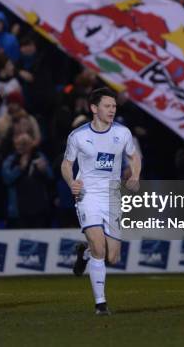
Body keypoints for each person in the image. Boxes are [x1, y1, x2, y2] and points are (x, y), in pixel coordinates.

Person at [61, 87, 141, 315]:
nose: (112, 110)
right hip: (87, 195)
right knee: (99, 245)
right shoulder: (78, 136)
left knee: (112, 257)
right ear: (94, 108)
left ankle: (84, 253)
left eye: (114, 106)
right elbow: (67, 164)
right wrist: (71, 183)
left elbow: (134, 157)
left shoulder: (123, 133)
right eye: (107, 106)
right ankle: (100, 304)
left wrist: (135, 175)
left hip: (113, 196)